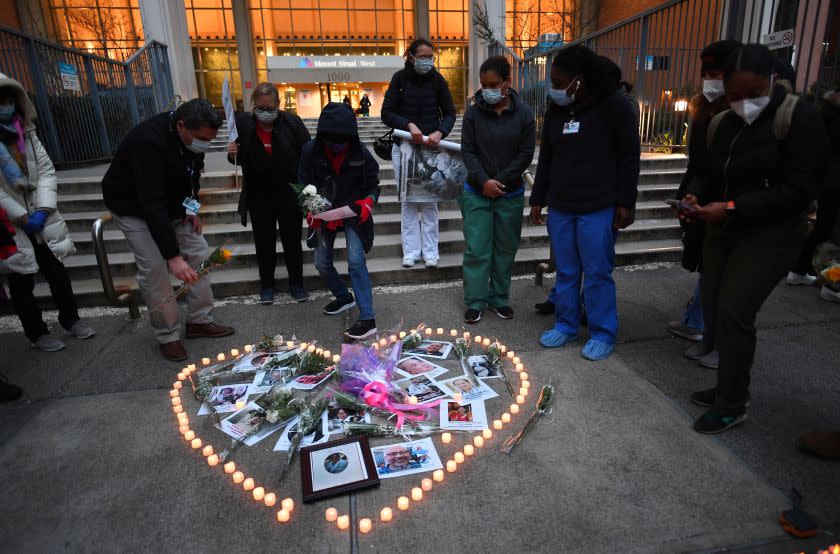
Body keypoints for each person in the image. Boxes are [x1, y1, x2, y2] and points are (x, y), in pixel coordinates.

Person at [679, 44, 828, 433]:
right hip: (724, 229)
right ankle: (728, 384)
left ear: (773, 81)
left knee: (734, 310)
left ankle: (733, 403)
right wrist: (695, 194)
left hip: (772, 232)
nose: (745, 103)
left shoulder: (799, 119)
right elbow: (703, 169)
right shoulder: (723, 124)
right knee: (713, 305)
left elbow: (799, 190)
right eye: (735, 96)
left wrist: (729, 207)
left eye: (754, 93)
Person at [101, 98, 235, 362]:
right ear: (181, 126)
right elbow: (152, 203)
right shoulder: (147, 143)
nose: (204, 145)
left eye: (209, 140)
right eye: (200, 139)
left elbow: (192, 174)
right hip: (133, 206)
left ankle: (199, 320)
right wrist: (172, 256)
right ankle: (168, 335)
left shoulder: (194, 138)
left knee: (201, 254)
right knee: (154, 268)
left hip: (173, 204)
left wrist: (192, 208)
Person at [529, 46, 640, 361]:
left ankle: (603, 331)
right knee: (566, 271)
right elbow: (547, 155)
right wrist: (538, 197)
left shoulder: (615, 106)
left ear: (580, 79)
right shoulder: (557, 108)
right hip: (562, 205)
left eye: (559, 81)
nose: (554, 87)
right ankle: (565, 324)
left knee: (597, 272)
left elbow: (629, 157)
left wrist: (625, 203)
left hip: (599, 206)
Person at [0, 74, 95, 352]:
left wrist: (42, 208)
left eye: (9, 100)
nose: (5, 106)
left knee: (57, 271)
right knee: (21, 280)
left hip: (41, 214)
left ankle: (71, 319)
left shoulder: (27, 133)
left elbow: (45, 170)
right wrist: (21, 216)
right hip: (11, 222)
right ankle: (37, 332)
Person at [666, 40, 741, 371]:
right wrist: (693, 194)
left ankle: (721, 342)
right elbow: (699, 163)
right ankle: (700, 326)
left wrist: (729, 206)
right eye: (705, 74)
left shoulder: (751, 116)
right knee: (709, 269)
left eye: (717, 74)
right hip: (704, 199)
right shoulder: (702, 110)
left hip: (738, 207)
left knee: (729, 277)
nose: (709, 81)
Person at [459, 56, 536, 323]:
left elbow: (526, 153)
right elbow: (467, 151)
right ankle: (476, 300)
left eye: (493, 84)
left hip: (509, 194)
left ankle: (499, 297)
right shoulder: (473, 113)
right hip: (476, 192)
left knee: (505, 249)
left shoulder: (524, 114)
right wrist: (483, 181)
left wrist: (500, 181)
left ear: (507, 82)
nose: (487, 90)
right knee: (477, 249)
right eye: (483, 85)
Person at [298, 102, 380, 340]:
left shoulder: (360, 152)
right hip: (324, 213)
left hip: (354, 213)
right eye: (331, 139)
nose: (336, 144)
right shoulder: (310, 151)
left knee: (356, 262)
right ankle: (343, 297)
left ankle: (367, 318)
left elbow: (374, 184)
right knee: (321, 262)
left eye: (341, 139)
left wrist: (368, 202)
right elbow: (302, 184)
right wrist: (309, 209)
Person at [228, 83, 311, 305]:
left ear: (278, 105)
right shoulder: (243, 124)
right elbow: (237, 158)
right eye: (260, 107)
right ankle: (267, 286)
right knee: (263, 242)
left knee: (292, 241)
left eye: (270, 107)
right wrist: (231, 153)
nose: (265, 112)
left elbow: (308, 151)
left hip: (288, 192)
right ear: (253, 105)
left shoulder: (292, 122)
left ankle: (296, 283)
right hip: (258, 194)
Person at [382, 37, 457, 268]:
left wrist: (440, 132)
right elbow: (387, 113)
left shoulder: (437, 80)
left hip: (430, 150)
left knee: (430, 201)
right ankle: (411, 252)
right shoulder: (399, 79)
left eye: (430, 57)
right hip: (404, 148)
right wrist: (408, 125)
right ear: (411, 57)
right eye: (423, 57)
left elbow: (450, 113)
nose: (427, 61)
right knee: (409, 201)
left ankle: (431, 252)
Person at [786, 87, 840, 299]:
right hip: (833, 181)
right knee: (831, 232)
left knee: (824, 229)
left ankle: (800, 270)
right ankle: (832, 284)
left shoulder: (821, 113)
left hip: (826, 180)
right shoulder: (831, 117)